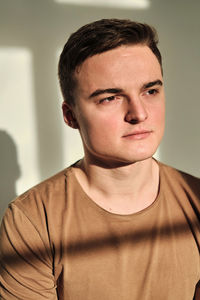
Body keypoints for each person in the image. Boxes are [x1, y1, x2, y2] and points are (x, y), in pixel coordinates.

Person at [0, 18, 200, 300]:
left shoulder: (196, 200)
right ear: (70, 116)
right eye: (110, 98)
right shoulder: (33, 219)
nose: (139, 113)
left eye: (150, 91)